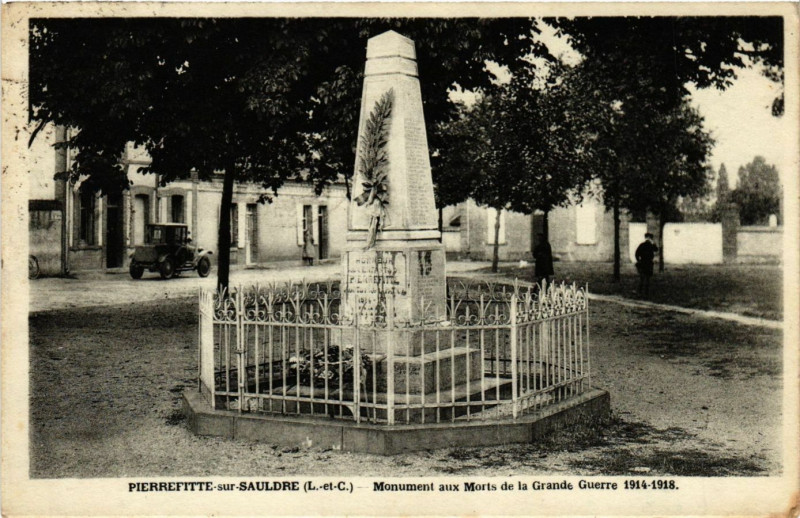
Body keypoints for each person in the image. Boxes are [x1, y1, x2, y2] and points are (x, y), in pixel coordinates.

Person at [635, 232, 659, 297]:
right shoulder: (650, 245)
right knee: (647, 279)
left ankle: (640, 292)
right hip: (648, 263)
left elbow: (637, 254)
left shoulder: (642, 245)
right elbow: (656, 249)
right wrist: (653, 243)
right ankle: (645, 293)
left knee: (642, 278)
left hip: (643, 262)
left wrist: (638, 260)